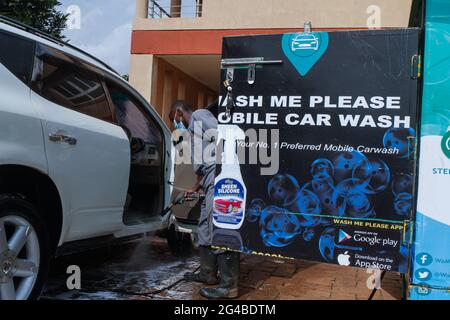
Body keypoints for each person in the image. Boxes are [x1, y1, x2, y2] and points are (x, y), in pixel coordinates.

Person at [169, 100, 240, 299]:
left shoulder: (199, 115)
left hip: (218, 177)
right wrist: (196, 186)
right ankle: (207, 273)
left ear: (179, 113)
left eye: (175, 120)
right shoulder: (194, 129)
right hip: (209, 179)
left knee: (218, 226)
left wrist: (221, 172)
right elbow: (204, 160)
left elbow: (222, 136)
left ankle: (229, 285)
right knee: (204, 226)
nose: (177, 125)